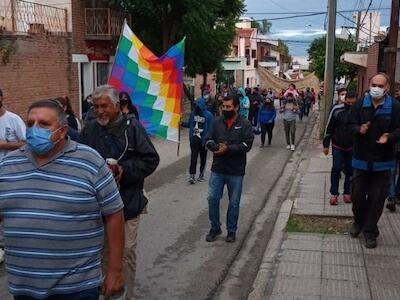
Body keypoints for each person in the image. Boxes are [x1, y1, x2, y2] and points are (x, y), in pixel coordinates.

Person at [0, 99, 125, 299]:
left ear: (63, 131)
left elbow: (114, 214)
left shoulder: (90, 162)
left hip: (77, 286)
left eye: (44, 124)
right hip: (24, 286)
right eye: (30, 123)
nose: (34, 130)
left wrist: (115, 270)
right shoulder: (8, 165)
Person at [80, 85, 159, 299]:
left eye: (104, 106)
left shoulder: (132, 128)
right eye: (95, 107)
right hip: (97, 208)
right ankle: (107, 291)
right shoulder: (89, 129)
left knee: (125, 253)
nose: (99, 111)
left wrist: (125, 170)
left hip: (127, 203)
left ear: (116, 106)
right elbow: (79, 160)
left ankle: (126, 295)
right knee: (103, 254)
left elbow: (151, 160)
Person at [349, 73, 400, 249]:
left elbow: (398, 129)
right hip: (361, 160)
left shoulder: (394, 106)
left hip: (383, 161)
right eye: (374, 84)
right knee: (357, 196)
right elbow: (349, 125)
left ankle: (370, 232)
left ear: (386, 88)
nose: (376, 88)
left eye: (380, 85)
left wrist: (390, 136)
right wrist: (358, 129)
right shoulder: (359, 105)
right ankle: (358, 222)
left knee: (377, 199)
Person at [205, 95, 254, 243]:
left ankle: (231, 231)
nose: (225, 109)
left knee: (234, 203)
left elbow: (247, 145)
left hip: (236, 171)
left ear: (236, 107)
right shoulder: (216, 122)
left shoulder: (245, 124)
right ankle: (215, 227)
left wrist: (228, 149)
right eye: (223, 107)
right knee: (212, 199)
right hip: (218, 169)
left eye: (228, 107)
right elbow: (208, 140)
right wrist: (215, 147)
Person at [0, 88, 26, 265]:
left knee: (7, 209)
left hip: (10, 173)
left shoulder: (13, 119)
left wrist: (4, 145)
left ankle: (7, 245)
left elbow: (27, 145)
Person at [323, 90, 357, 206]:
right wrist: (326, 144)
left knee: (350, 170)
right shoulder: (337, 110)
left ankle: (347, 192)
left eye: (353, 103)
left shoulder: (358, 111)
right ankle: (334, 193)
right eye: (349, 102)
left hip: (352, 146)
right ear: (345, 100)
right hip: (337, 144)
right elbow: (329, 127)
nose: (351, 105)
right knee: (336, 168)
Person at [182, 97, 214, 184]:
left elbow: (212, 128)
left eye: (197, 105)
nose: (196, 107)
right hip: (194, 140)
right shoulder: (193, 114)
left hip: (204, 141)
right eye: (195, 105)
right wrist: (181, 123)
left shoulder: (209, 115)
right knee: (193, 158)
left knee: (203, 158)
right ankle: (192, 175)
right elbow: (189, 124)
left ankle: (201, 175)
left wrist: (211, 140)